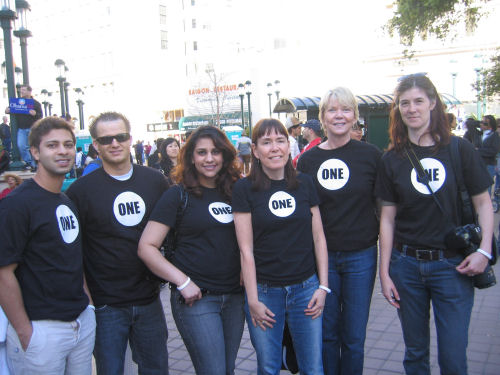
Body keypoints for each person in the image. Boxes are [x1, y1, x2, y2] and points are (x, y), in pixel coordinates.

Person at [376, 74, 493, 375]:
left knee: (453, 357)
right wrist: (384, 271)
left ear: (432, 103)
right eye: (405, 103)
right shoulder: (391, 160)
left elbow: (484, 204)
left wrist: (485, 252)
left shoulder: (459, 149)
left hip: (453, 267)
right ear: (398, 110)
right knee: (415, 354)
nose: (412, 108)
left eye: (418, 101)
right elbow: (387, 219)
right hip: (406, 267)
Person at [66, 112, 169, 375]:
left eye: (120, 137)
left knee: (156, 369)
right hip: (105, 306)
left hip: (149, 300)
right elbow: (71, 252)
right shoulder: (80, 191)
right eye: (106, 139)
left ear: (129, 139)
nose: (114, 143)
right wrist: (88, 300)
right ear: (96, 145)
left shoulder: (156, 182)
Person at [138, 125, 244, 375]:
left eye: (216, 152)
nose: (209, 159)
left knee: (226, 370)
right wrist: (182, 282)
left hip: (235, 298)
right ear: (191, 157)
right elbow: (147, 247)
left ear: (225, 156)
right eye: (202, 152)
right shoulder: (177, 195)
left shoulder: (236, 192)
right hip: (197, 301)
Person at [233, 118, 329, 375]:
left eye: (280, 140)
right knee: (269, 367)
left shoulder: (305, 183)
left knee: (313, 368)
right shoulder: (244, 189)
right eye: (266, 142)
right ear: (255, 150)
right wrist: (252, 299)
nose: (274, 148)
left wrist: (323, 286)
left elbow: (318, 237)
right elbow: (246, 250)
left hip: (306, 290)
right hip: (265, 292)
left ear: (289, 145)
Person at [0, 116, 96, 374]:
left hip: (80, 321)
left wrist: (88, 306)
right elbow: (3, 272)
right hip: (41, 331)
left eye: (68, 144)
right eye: (52, 145)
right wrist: (25, 332)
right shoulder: (16, 204)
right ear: (35, 152)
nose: (63, 151)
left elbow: (72, 256)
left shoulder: (66, 200)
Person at [297, 87, 381, 375]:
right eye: (332, 110)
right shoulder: (307, 161)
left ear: (355, 116)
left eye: (345, 109)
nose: (339, 115)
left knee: (355, 337)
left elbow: (382, 207)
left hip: (362, 256)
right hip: (323, 260)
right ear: (322, 117)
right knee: (327, 334)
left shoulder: (371, 156)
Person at [4, 85, 43, 170]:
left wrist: (35, 114)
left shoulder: (35, 103)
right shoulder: (17, 102)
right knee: (21, 146)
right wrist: (7, 111)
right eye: (21, 90)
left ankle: (35, 164)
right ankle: (29, 162)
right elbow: (10, 109)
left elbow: (41, 116)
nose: (21, 92)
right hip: (21, 129)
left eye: (24, 90)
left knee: (33, 146)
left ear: (29, 91)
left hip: (33, 129)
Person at [478, 115, 500, 193]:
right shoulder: (479, 134)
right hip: (479, 164)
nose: (481, 124)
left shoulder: (494, 135)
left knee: (487, 187)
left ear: (490, 125)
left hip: (489, 164)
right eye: (481, 122)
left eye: (485, 123)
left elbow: (494, 150)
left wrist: (478, 151)